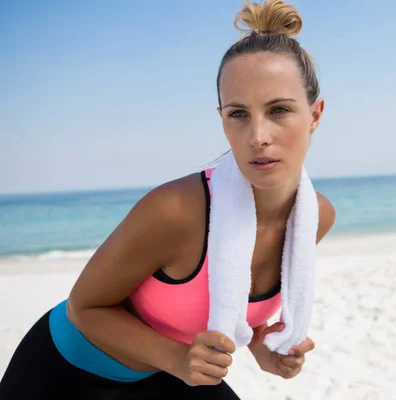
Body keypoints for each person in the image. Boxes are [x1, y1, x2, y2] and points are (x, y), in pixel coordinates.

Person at [0, 0, 336, 398]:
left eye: (279, 110)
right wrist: (179, 360)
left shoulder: (315, 216)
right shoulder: (176, 210)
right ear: (222, 119)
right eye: (238, 114)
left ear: (314, 115)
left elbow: (243, 302)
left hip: (170, 371)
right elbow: (83, 308)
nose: (258, 135)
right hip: (65, 372)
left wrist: (265, 345)